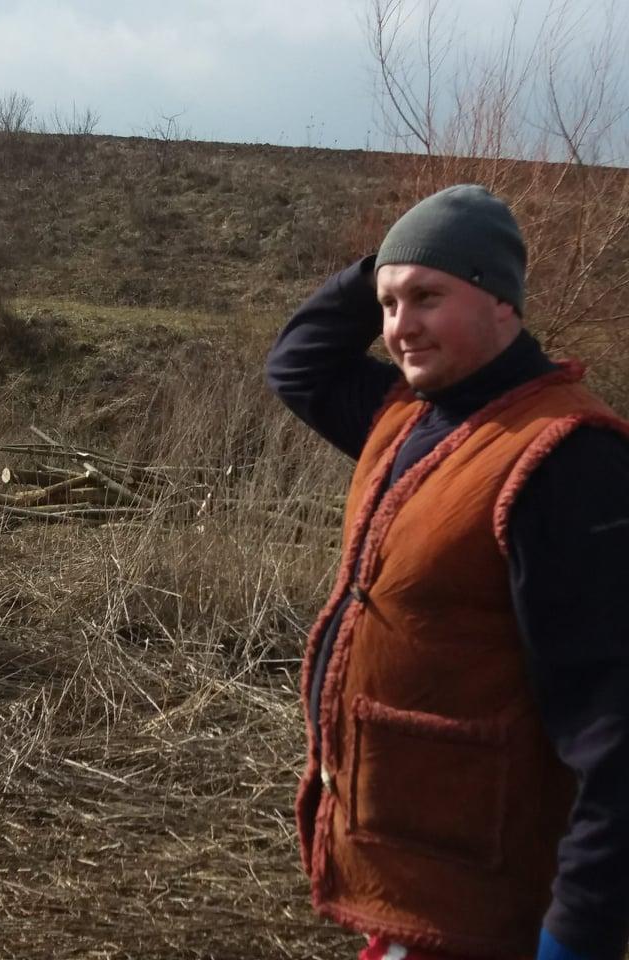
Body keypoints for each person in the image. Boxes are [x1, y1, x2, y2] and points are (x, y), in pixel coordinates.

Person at [265, 185, 629, 960]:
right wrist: (396, 260)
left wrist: (578, 932)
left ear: (502, 302)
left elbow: (614, 723)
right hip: (423, 879)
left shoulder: (568, 458)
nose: (400, 327)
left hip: (496, 905)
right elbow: (297, 364)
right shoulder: (407, 415)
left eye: (428, 298)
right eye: (388, 304)